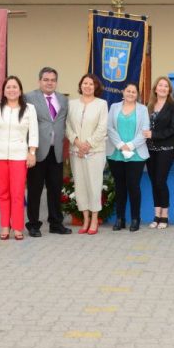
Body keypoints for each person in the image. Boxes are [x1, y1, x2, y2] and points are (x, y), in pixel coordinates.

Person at [0, 76, 39, 241]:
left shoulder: (29, 108)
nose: (11, 90)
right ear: (3, 90)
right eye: (8, 87)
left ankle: (17, 227)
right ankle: (4, 226)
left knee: (17, 193)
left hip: (19, 155)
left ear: (20, 90)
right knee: (3, 193)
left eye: (15, 87)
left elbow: (34, 132)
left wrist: (32, 152)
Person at [24, 67, 71, 237]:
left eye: (52, 80)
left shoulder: (63, 100)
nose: (49, 83)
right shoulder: (29, 97)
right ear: (39, 81)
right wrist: (29, 150)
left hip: (56, 151)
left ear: (56, 82)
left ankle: (55, 223)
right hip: (37, 151)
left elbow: (63, 123)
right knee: (35, 189)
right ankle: (33, 224)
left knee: (55, 188)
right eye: (46, 79)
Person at [66, 73, 109, 235]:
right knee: (80, 185)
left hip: (95, 152)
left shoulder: (102, 104)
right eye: (85, 83)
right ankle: (84, 218)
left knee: (94, 185)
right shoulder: (72, 104)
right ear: (80, 85)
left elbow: (102, 127)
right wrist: (77, 142)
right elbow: (67, 126)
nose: (88, 86)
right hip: (76, 151)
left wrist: (88, 144)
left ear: (96, 87)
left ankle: (94, 219)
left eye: (91, 84)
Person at [107, 83, 150, 232]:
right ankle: (120, 219)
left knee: (133, 187)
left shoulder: (143, 109)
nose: (131, 93)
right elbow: (109, 128)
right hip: (116, 153)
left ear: (137, 94)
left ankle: (135, 218)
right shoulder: (114, 107)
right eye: (128, 91)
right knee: (119, 187)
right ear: (123, 92)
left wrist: (130, 146)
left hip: (136, 154)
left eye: (134, 92)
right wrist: (120, 145)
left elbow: (145, 131)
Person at [144, 76, 174, 229]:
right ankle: (156, 215)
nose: (163, 88)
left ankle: (165, 216)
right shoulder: (149, 106)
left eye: (166, 86)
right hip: (150, 150)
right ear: (155, 88)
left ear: (169, 90)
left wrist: (154, 135)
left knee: (160, 181)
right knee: (154, 183)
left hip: (166, 150)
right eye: (160, 85)